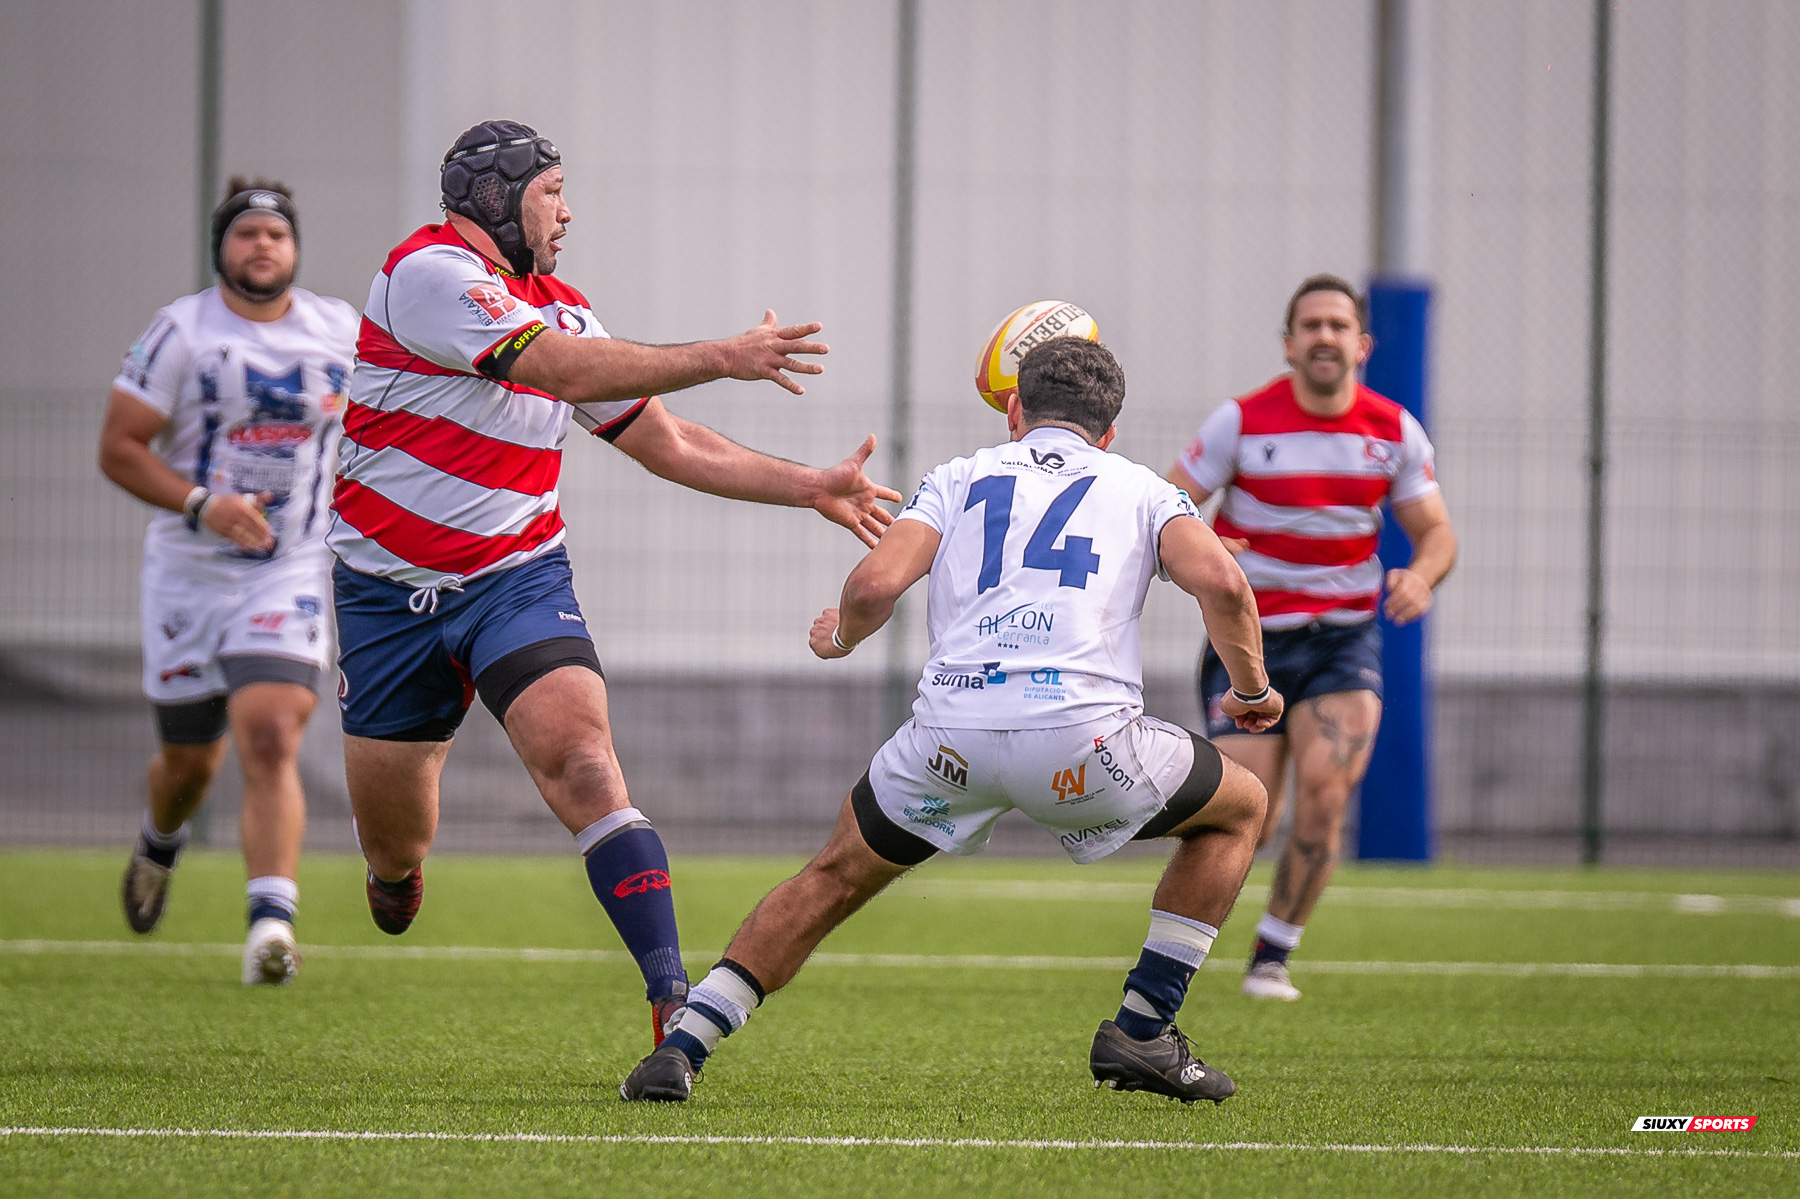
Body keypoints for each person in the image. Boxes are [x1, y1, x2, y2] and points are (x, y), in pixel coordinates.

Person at [331, 120, 899, 1047]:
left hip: (514, 579)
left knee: (587, 763)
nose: (567, 211)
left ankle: (672, 994)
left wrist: (812, 487)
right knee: (396, 847)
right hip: (385, 600)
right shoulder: (425, 275)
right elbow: (551, 367)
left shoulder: (565, 307)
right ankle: (392, 871)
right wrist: (721, 354)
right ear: (493, 199)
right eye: (550, 191)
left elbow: (665, 442)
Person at [621, 337, 1284, 1105]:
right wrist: (1252, 691)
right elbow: (1226, 587)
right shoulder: (1141, 489)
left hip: (948, 743)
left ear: (1013, 408)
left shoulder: (957, 477)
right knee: (1241, 809)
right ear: (1109, 432)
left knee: (832, 875)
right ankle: (1143, 1027)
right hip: (1081, 744)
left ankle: (684, 1044)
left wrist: (840, 638)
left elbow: (873, 584)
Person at [1167, 274, 1458, 1002]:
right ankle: (1178, 949)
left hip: (1344, 639)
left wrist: (1422, 575)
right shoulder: (1242, 422)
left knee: (1327, 796)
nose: (1325, 336)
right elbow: (1166, 504)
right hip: (1251, 641)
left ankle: (1272, 956)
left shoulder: (1392, 430)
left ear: (1362, 343)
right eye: (1311, 325)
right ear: (1290, 343)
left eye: (1338, 324)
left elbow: (1437, 533)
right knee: (1248, 812)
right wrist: (1203, 548)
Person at [102, 178, 358, 984]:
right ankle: (160, 840)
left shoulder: (339, 330)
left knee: (273, 732)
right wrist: (202, 503)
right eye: (245, 234)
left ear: (294, 247)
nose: (261, 247)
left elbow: (392, 413)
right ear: (221, 246)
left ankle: (270, 924)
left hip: (289, 568)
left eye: (275, 235)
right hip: (189, 576)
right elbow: (120, 446)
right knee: (189, 766)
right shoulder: (181, 332)